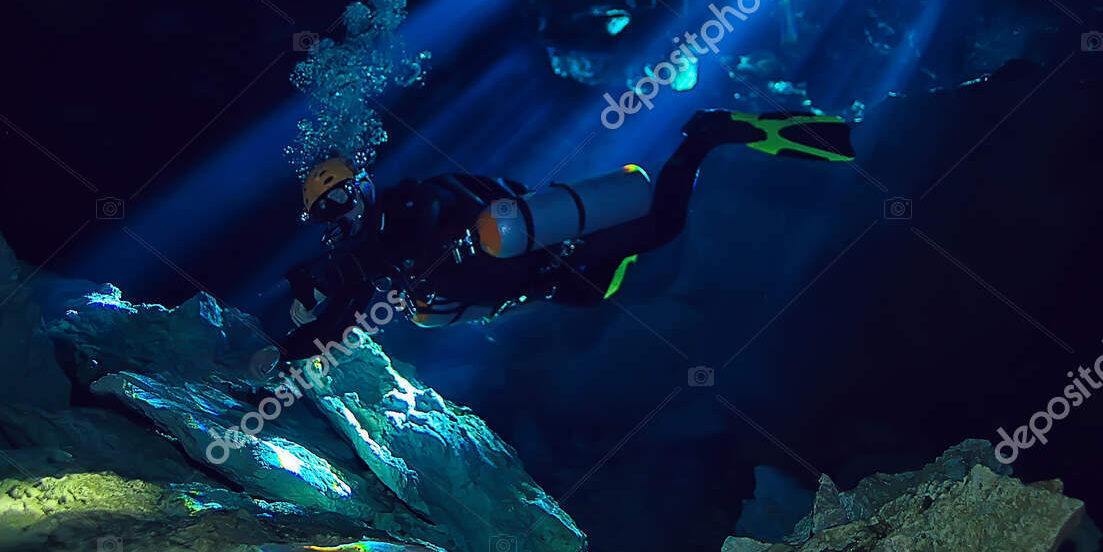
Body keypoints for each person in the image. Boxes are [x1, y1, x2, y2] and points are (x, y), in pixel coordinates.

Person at [279, 109, 855, 358]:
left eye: (339, 204)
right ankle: (651, 196)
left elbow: (372, 274)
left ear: (357, 188)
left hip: (554, 252)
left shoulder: (410, 203)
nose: (340, 220)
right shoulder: (383, 248)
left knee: (662, 224)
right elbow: (359, 290)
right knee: (594, 294)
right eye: (327, 216)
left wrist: (302, 340)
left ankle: (706, 135)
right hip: (553, 282)